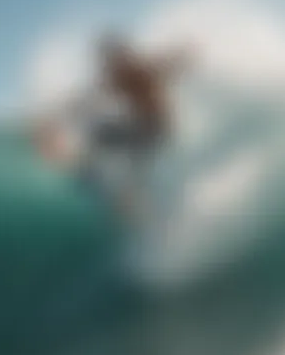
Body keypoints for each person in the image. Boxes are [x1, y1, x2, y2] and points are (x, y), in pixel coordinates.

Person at [33, 33, 194, 218]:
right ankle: (127, 198)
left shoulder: (140, 69)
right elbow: (84, 98)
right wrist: (52, 120)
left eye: (110, 59)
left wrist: (183, 56)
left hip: (155, 131)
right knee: (101, 138)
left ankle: (130, 198)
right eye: (106, 61)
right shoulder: (115, 77)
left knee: (106, 140)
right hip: (142, 131)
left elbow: (168, 64)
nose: (107, 65)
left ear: (121, 55)